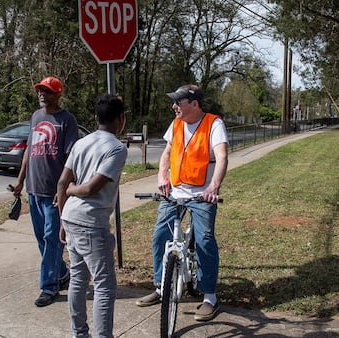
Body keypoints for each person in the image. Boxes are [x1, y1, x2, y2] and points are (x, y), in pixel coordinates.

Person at [136, 84, 228, 322]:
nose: (174, 106)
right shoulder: (176, 123)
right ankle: (161, 287)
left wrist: (213, 187)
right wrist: (161, 176)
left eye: (179, 102)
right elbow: (167, 152)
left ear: (195, 104)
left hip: (201, 194)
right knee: (160, 236)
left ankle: (209, 297)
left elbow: (222, 157)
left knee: (205, 240)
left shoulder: (213, 124)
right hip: (175, 191)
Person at [56, 94, 127, 338]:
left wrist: (62, 219)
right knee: (105, 287)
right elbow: (89, 188)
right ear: (121, 119)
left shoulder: (81, 143)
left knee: (78, 278)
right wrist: (74, 190)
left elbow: (62, 182)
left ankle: (79, 334)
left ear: (96, 118)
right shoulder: (117, 148)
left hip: (71, 218)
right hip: (91, 223)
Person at [11, 76, 79, 307]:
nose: (42, 94)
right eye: (40, 90)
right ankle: (61, 273)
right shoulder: (35, 117)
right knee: (42, 239)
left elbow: (70, 158)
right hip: (34, 190)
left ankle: (49, 287)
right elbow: (29, 150)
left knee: (52, 240)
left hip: (53, 194)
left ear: (58, 94)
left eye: (47, 91)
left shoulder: (66, 120)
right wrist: (20, 181)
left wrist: (63, 191)